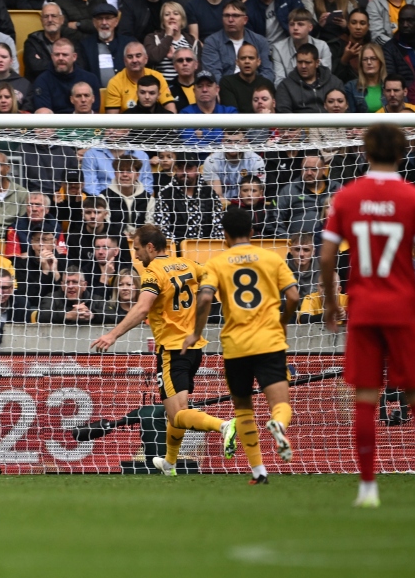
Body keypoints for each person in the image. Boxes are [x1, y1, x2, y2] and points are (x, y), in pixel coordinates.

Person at [319, 122, 415, 508]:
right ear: (401, 153)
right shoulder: (413, 198)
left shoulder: (347, 196)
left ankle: (367, 488)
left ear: (364, 153)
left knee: (365, 397)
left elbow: (327, 256)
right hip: (403, 308)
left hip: (363, 308)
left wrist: (331, 301)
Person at [89, 224, 235, 473]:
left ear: (150, 247)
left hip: (172, 350)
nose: (135, 256)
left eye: (137, 249)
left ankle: (223, 426)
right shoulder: (187, 264)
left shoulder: (153, 272)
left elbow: (143, 308)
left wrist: (112, 334)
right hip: (195, 348)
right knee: (174, 412)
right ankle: (169, 462)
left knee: (178, 414)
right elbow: (215, 277)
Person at [176, 207, 297, 483]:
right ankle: (278, 424)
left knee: (243, 409)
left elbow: (205, 299)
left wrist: (195, 333)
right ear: (253, 232)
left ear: (225, 236)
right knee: (280, 403)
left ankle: (259, 471)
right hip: (269, 341)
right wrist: (284, 321)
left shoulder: (218, 263)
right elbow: (293, 295)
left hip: (236, 346)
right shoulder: (271, 258)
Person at [152, 154, 224, 245]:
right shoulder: (165, 194)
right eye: (181, 168)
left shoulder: (210, 194)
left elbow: (218, 228)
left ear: (197, 170)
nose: (184, 172)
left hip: (206, 250)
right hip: (177, 253)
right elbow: (162, 229)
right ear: (176, 169)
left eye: (189, 168)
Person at [275, 153, 340, 236]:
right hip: (299, 246)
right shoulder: (289, 190)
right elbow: (273, 219)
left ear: (323, 170)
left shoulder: (337, 188)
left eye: (314, 169)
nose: (309, 173)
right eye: (305, 169)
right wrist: (289, 240)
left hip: (333, 242)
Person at [32, 38, 102, 113]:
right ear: (52, 57)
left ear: (74, 57)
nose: (60, 58)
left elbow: (94, 111)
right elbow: (43, 114)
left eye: (65, 55)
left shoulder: (90, 79)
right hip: (55, 123)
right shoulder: (42, 81)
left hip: (84, 122)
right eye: (57, 55)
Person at [105, 42, 176, 113]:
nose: (134, 60)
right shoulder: (115, 82)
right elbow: (112, 120)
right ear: (125, 61)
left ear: (146, 59)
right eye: (130, 57)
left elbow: (171, 111)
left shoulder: (157, 76)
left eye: (138, 56)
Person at [275, 43, 346, 114]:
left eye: (307, 62)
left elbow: (346, 109)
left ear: (317, 63)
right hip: (300, 124)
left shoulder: (334, 82)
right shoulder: (285, 86)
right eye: (300, 62)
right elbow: (284, 114)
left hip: (331, 123)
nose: (303, 66)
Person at [272, 8, 333, 84]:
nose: (295, 28)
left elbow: (326, 77)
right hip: (291, 92)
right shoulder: (278, 49)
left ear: (310, 27)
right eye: (292, 24)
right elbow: (279, 82)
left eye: (300, 24)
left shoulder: (322, 47)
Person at [144, 2, 200, 83]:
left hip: (186, 88)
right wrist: (169, 36)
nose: (171, 17)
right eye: (167, 14)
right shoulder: (152, 38)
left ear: (182, 20)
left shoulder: (193, 42)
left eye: (176, 14)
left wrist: (175, 57)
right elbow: (153, 58)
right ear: (163, 21)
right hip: (160, 88)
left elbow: (197, 69)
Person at [203, 129, 265, 201]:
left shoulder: (256, 161)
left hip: (247, 205)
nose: (233, 145)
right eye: (228, 141)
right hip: (222, 206)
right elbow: (217, 196)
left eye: (238, 142)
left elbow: (255, 193)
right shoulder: (212, 161)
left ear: (246, 142)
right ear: (222, 141)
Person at [37, 264, 108, 324]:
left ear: (84, 285)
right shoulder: (52, 298)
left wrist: (92, 315)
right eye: (67, 282)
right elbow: (41, 315)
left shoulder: (96, 300)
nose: (70, 286)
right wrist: (68, 315)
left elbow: (115, 315)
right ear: (62, 286)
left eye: (75, 282)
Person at [217, 44, 276, 111]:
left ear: (258, 62)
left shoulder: (266, 84)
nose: (247, 61)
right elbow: (231, 114)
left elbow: (272, 110)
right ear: (237, 62)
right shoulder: (227, 82)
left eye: (251, 58)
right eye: (243, 58)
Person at [383, 5, 415, 84]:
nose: (405, 25)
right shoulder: (390, 48)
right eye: (401, 21)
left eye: (410, 21)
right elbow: (392, 79)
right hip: (406, 93)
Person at [343, 43, 387, 112]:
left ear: (380, 61)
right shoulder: (351, 87)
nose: (369, 62)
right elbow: (350, 117)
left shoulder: (391, 85)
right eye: (365, 59)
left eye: (373, 58)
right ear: (361, 63)